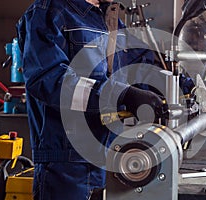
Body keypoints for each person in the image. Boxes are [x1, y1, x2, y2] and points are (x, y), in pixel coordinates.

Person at [16, 0, 166, 199]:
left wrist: (181, 87)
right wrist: (121, 95)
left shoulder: (109, 20)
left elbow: (142, 68)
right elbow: (50, 81)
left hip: (113, 161)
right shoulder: (48, 12)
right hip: (67, 168)